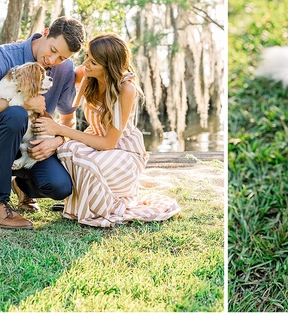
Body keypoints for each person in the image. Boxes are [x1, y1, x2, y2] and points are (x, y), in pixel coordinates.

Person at [34, 33, 181, 227]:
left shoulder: (126, 89)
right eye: (87, 56)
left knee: (83, 159)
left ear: (108, 66)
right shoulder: (87, 75)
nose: (85, 64)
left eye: (93, 62)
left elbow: (109, 143)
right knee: (66, 150)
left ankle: (92, 204)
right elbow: (66, 101)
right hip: (95, 141)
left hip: (122, 151)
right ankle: (81, 202)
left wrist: (60, 130)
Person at [0, 17, 85, 229]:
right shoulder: (2, 56)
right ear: (46, 32)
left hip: (30, 148)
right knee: (16, 115)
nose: (52, 60)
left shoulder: (65, 70)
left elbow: (68, 119)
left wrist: (58, 140)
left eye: (61, 57)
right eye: (52, 50)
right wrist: (22, 104)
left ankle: (22, 186)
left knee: (60, 187)